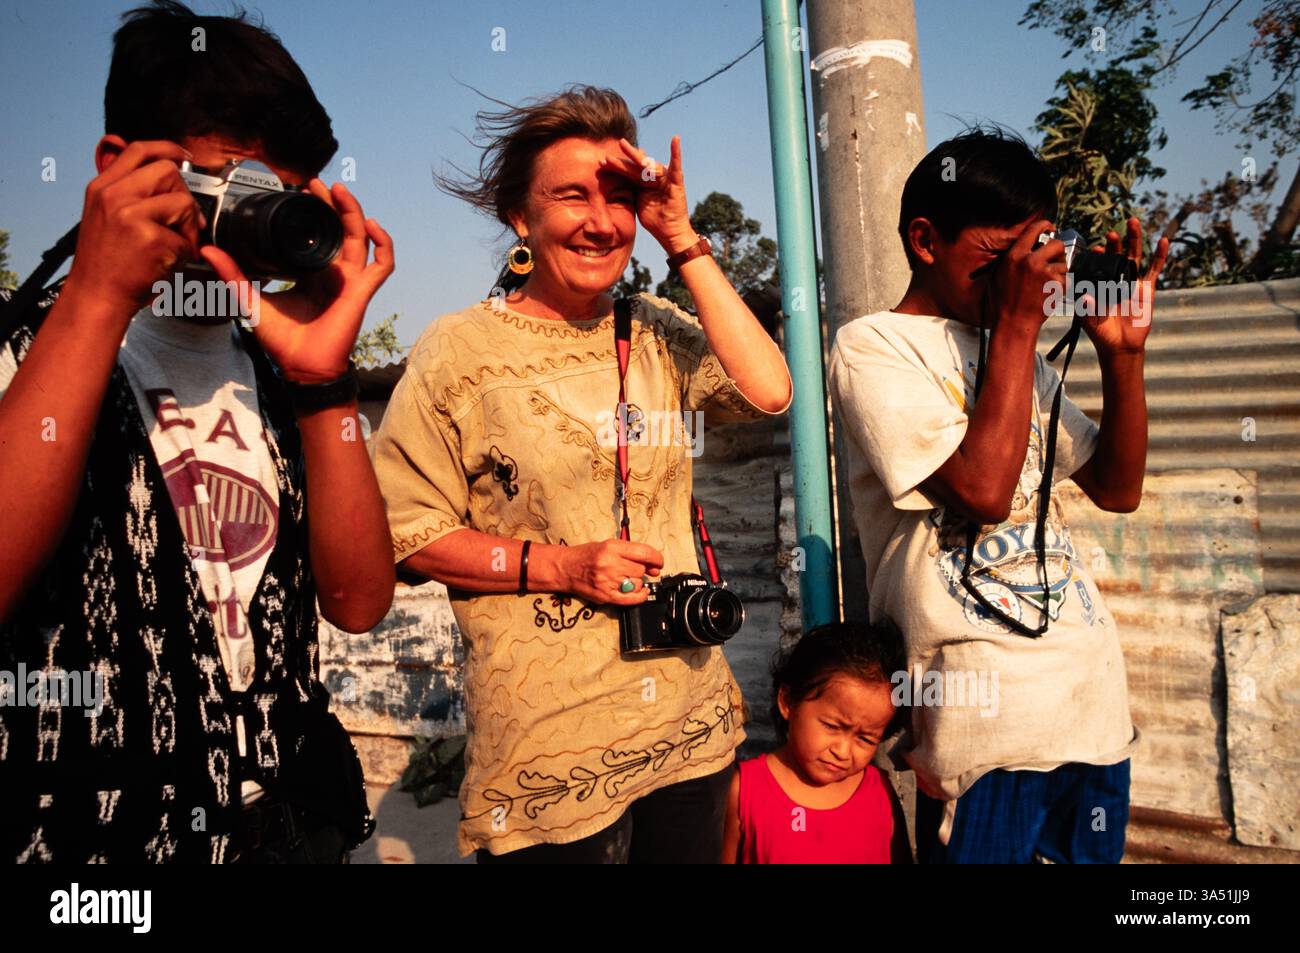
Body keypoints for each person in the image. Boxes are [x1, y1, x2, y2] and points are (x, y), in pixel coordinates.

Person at [0, 0, 395, 863]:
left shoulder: (279, 366)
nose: (268, 223)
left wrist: (326, 379)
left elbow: (361, 603)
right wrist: (100, 294)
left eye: (291, 198)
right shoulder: (22, 355)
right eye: (241, 188)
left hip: (291, 827)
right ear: (121, 167)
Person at [370, 85, 793, 862]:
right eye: (571, 194)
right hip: (549, 752)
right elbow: (411, 533)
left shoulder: (660, 329)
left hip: (686, 723)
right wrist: (563, 566)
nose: (602, 220)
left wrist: (683, 240)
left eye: (621, 197)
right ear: (519, 218)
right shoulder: (456, 350)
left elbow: (769, 389)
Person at [827, 128, 1169, 864]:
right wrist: (1017, 324)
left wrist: (1123, 357)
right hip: (982, 730)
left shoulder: (1017, 355)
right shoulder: (873, 346)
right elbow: (981, 491)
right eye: (1000, 259)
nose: (1023, 279)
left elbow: (1117, 488)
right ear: (925, 239)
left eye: (1035, 256)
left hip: (1090, 707)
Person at [721, 622, 912, 864]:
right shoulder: (745, 791)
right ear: (788, 702)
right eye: (832, 726)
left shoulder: (880, 793)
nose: (842, 751)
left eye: (865, 738)